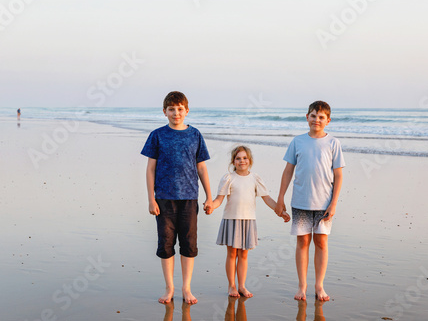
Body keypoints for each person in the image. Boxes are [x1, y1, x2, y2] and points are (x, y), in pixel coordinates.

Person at [141, 91, 213, 305]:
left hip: (189, 198)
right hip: (163, 198)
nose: (176, 113)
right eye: (171, 109)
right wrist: (150, 199)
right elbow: (150, 169)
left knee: (189, 244)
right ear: (165, 112)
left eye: (180, 109)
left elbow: (202, 168)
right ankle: (169, 287)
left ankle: (186, 288)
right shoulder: (157, 135)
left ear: (187, 111)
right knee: (166, 244)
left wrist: (209, 197)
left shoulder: (195, 135)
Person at [275, 101, 345, 302]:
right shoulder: (297, 141)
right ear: (307, 117)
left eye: (321, 117)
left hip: (324, 203)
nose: (317, 120)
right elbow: (288, 171)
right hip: (301, 202)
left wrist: (334, 203)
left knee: (321, 242)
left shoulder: (333, 143)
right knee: (302, 242)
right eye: (313, 116)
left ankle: (319, 286)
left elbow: (338, 175)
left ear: (328, 121)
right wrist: (280, 198)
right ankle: (302, 286)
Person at [206, 145, 290, 298]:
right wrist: (211, 205)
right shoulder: (228, 178)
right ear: (233, 161)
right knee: (232, 254)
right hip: (231, 220)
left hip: (248, 220)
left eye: (244, 158)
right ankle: (232, 286)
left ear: (250, 161)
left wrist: (280, 212)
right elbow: (219, 199)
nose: (241, 161)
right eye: (238, 158)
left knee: (244, 255)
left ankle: (242, 286)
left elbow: (267, 199)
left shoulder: (255, 178)